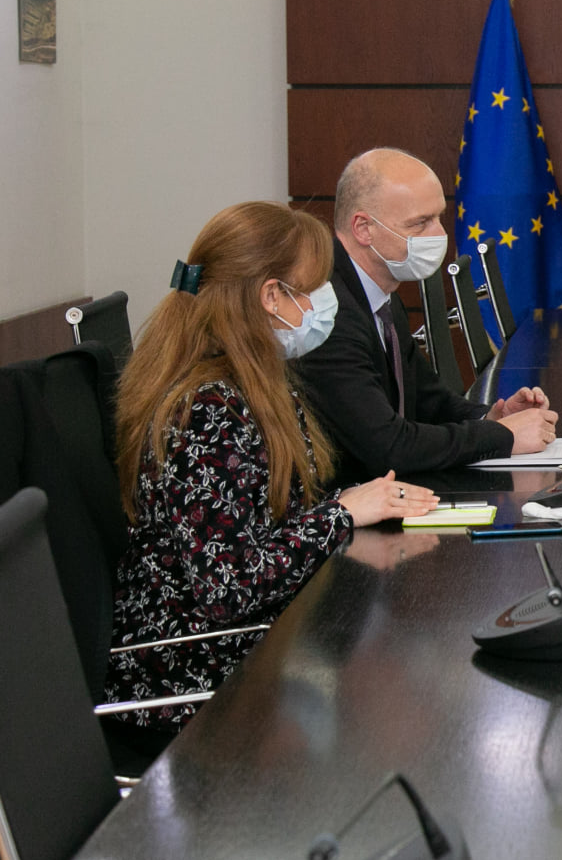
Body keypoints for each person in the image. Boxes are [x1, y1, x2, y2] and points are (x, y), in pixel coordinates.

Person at [106, 202, 442, 734]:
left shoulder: (256, 378)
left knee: (396, 671)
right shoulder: (208, 410)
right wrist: (340, 515)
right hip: (198, 675)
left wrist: (353, 503)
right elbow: (228, 588)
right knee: (387, 699)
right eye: (313, 287)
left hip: (258, 643)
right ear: (271, 297)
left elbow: (269, 518)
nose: (326, 301)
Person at [295, 147, 557, 480]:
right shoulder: (327, 312)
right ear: (363, 228)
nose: (438, 235)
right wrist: (502, 436)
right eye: (420, 223)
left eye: (438, 217)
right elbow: (387, 446)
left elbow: (425, 399)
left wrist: (491, 417)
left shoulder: (380, 292)